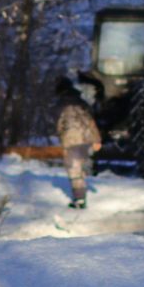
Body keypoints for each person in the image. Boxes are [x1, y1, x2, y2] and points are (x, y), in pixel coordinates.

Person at [54, 77, 99, 209]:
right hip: (86, 139)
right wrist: (96, 139)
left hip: (71, 140)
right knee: (79, 167)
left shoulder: (61, 104)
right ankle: (86, 172)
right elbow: (91, 121)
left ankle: (79, 199)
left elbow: (60, 125)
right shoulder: (82, 102)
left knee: (74, 171)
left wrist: (62, 141)